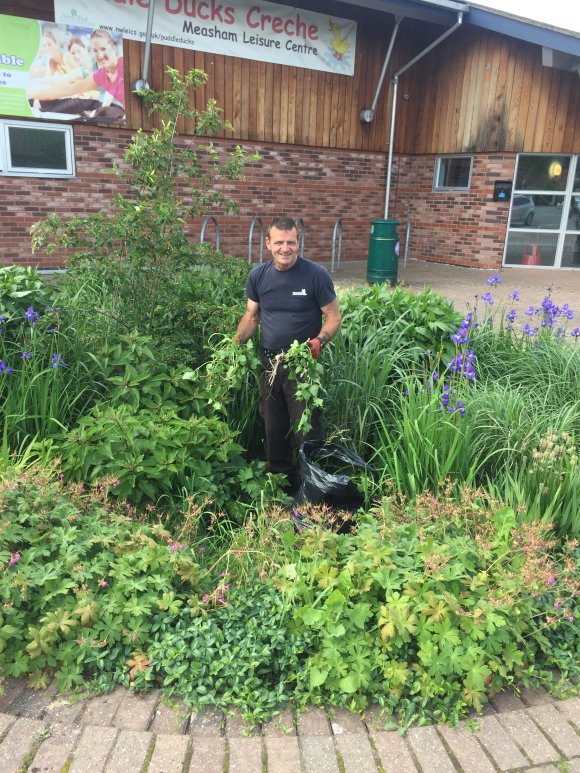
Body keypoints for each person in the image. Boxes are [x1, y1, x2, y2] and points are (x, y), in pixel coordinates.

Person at [235, 216, 341, 487]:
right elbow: (251, 316)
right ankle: (281, 480)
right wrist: (233, 344)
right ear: (268, 243)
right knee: (272, 423)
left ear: (298, 243)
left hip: (303, 361)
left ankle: (314, 482)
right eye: (279, 242)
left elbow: (333, 317)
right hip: (269, 362)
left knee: (307, 426)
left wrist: (319, 340)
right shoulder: (258, 275)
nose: (285, 248)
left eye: (291, 242)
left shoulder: (315, 275)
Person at [27, 29, 125, 121]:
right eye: (95, 50)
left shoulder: (122, 65)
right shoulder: (97, 73)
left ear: (113, 48)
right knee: (71, 99)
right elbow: (67, 87)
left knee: (77, 102)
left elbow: (111, 92)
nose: (99, 55)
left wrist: (99, 109)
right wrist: (34, 92)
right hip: (100, 106)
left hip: (114, 110)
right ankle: (37, 104)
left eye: (103, 49)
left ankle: (41, 106)